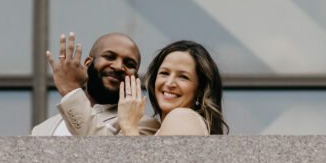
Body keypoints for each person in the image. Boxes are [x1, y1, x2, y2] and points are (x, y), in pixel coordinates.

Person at [56, 38, 228, 137]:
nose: (169, 83)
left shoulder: (182, 117)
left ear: (200, 89)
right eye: (164, 73)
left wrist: (130, 126)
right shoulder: (165, 125)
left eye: (183, 76)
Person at [31, 31, 159, 136]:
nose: (119, 67)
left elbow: (110, 158)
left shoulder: (144, 125)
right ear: (88, 64)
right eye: (109, 57)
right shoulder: (41, 130)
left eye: (129, 64)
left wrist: (71, 91)